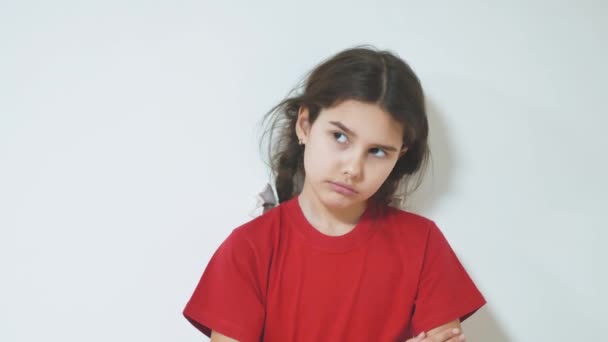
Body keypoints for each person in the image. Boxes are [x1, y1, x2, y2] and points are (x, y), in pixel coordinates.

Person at [182, 45, 486, 342]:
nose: (353, 168)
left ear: (399, 155)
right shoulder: (249, 250)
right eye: (340, 137)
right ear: (305, 125)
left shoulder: (424, 246)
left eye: (377, 151)